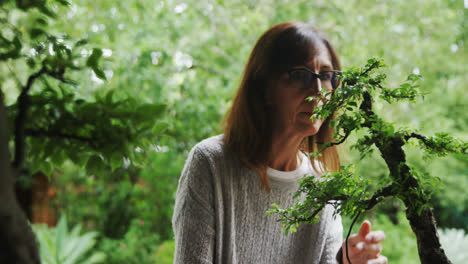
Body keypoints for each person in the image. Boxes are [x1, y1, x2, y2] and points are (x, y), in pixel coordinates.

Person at [172, 21, 388, 264]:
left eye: (326, 76)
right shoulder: (210, 164)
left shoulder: (324, 183)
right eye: (300, 75)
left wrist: (345, 262)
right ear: (264, 88)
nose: (318, 90)